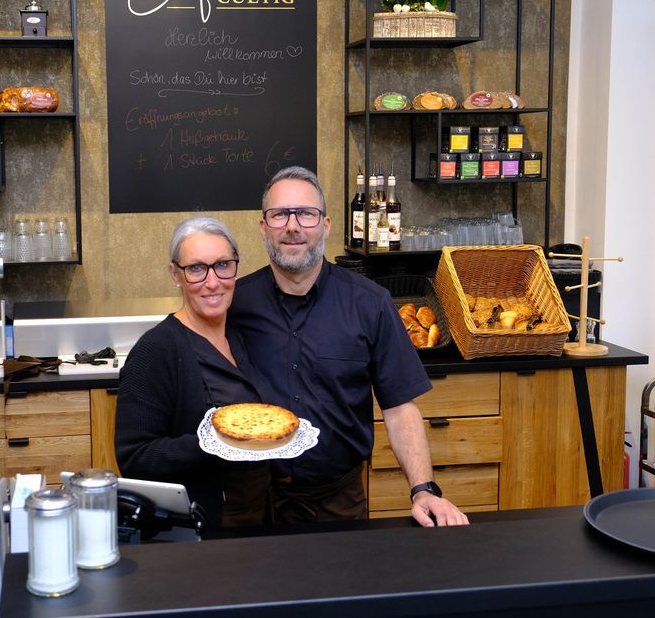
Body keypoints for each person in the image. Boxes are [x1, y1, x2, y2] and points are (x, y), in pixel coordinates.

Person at [230, 166, 468, 527]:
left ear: (325, 225)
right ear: (264, 227)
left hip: (338, 503)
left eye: (306, 214)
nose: (292, 226)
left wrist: (424, 489)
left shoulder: (369, 303)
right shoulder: (234, 304)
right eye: (279, 214)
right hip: (249, 502)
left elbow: (400, 406)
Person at [115, 217, 271, 529]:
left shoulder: (242, 336)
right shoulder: (156, 351)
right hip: (205, 528)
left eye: (223, 265)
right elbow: (135, 458)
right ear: (175, 273)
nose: (213, 282)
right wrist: (213, 442)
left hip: (260, 519)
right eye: (196, 269)